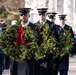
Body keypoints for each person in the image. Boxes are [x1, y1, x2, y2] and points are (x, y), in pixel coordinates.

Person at [10, 8, 36, 75]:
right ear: (20, 16)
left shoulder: (34, 27)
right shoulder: (16, 27)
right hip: (17, 58)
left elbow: (38, 41)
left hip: (28, 59)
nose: (23, 16)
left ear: (29, 16)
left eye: (25, 15)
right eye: (21, 15)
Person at [34, 8, 57, 75]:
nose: (41, 16)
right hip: (38, 54)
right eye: (40, 14)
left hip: (48, 53)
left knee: (48, 71)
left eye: (43, 14)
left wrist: (53, 47)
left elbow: (56, 38)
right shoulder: (35, 25)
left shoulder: (51, 25)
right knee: (38, 71)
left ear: (46, 15)